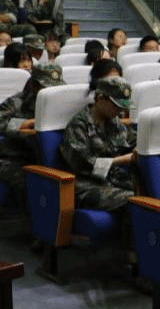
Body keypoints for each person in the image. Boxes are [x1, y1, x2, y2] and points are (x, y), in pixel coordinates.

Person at [58, 77, 137, 224]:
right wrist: (119, 161)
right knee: (135, 201)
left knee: (149, 192)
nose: (120, 111)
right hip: (86, 186)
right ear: (100, 99)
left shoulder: (116, 122)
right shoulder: (79, 125)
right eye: (116, 106)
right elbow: (82, 164)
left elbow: (133, 141)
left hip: (113, 179)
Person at [0, 64, 64, 211]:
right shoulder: (17, 103)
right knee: (31, 182)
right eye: (46, 88)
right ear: (34, 86)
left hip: (47, 156)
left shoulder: (60, 102)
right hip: (14, 158)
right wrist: (23, 124)